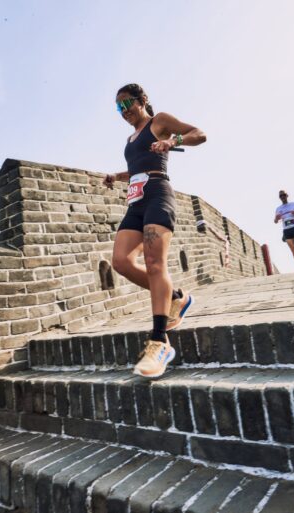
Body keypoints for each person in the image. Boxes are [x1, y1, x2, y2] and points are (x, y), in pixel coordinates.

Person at [103, 84, 206, 378]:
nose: (124, 112)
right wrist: (117, 176)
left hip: (158, 194)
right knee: (121, 261)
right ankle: (175, 297)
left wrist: (172, 141)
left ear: (142, 100)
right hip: (136, 201)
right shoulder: (129, 139)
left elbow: (199, 133)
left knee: (154, 263)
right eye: (118, 108)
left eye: (127, 104)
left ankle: (159, 341)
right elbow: (138, 168)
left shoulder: (158, 121)